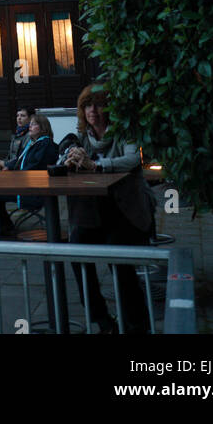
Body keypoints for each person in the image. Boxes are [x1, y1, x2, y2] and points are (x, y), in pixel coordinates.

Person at [61, 84, 154, 335]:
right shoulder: (83, 137)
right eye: (87, 105)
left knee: (119, 264)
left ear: (109, 108)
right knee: (77, 253)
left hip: (127, 212)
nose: (93, 110)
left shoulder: (124, 131)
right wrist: (72, 158)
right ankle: (103, 321)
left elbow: (134, 159)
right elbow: (70, 158)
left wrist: (98, 166)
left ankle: (137, 326)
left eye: (98, 104)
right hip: (95, 214)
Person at [0, 113, 58, 238]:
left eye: (33, 124)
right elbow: (21, 162)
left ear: (43, 128)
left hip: (32, 191)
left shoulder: (44, 145)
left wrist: (11, 175)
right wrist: (8, 166)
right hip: (25, 185)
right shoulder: (35, 143)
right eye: (30, 124)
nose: (29, 127)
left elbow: (33, 168)